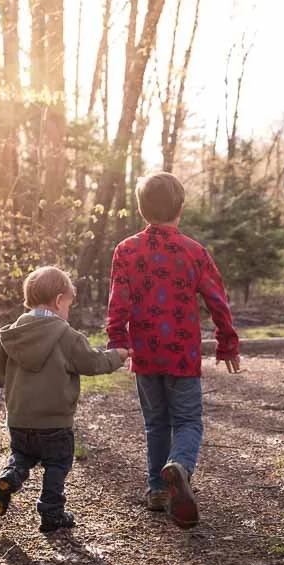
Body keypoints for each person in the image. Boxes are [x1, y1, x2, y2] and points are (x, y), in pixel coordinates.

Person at [106, 171, 240, 529]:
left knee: (155, 424)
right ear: (180, 209)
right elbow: (217, 301)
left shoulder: (126, 250)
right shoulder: (194, 252)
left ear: (140, 209)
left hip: (146, 354)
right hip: (182, 355)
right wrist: (227, 343)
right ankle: (179, 466)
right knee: (187, 420)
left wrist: (118, 341)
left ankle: (157, 490)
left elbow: (117, 301)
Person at [0, 265, 129, 533]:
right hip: (55, 423)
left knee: (22, 456)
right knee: (57, 464)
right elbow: (93, 363)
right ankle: (51, 514)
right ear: (59, 300)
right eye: (69, 304)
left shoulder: (10, 335)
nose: (68, 310)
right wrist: (117, 356)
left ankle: (10, 477)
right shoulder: (66, 336)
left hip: (19, 419)